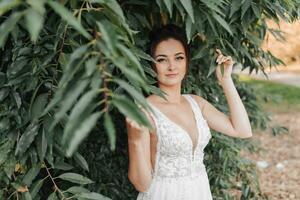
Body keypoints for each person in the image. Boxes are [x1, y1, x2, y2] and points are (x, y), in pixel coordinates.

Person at [126, 24, 252, 200]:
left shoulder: (196, 103)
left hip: (199, 192)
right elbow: (142, 184)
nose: (171, 66)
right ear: (152, 65)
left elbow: (242, 130)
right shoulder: (144, 111)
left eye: (178, 58)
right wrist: (135, 139)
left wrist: (226, 80)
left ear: (186, 62)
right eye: (162, 59)